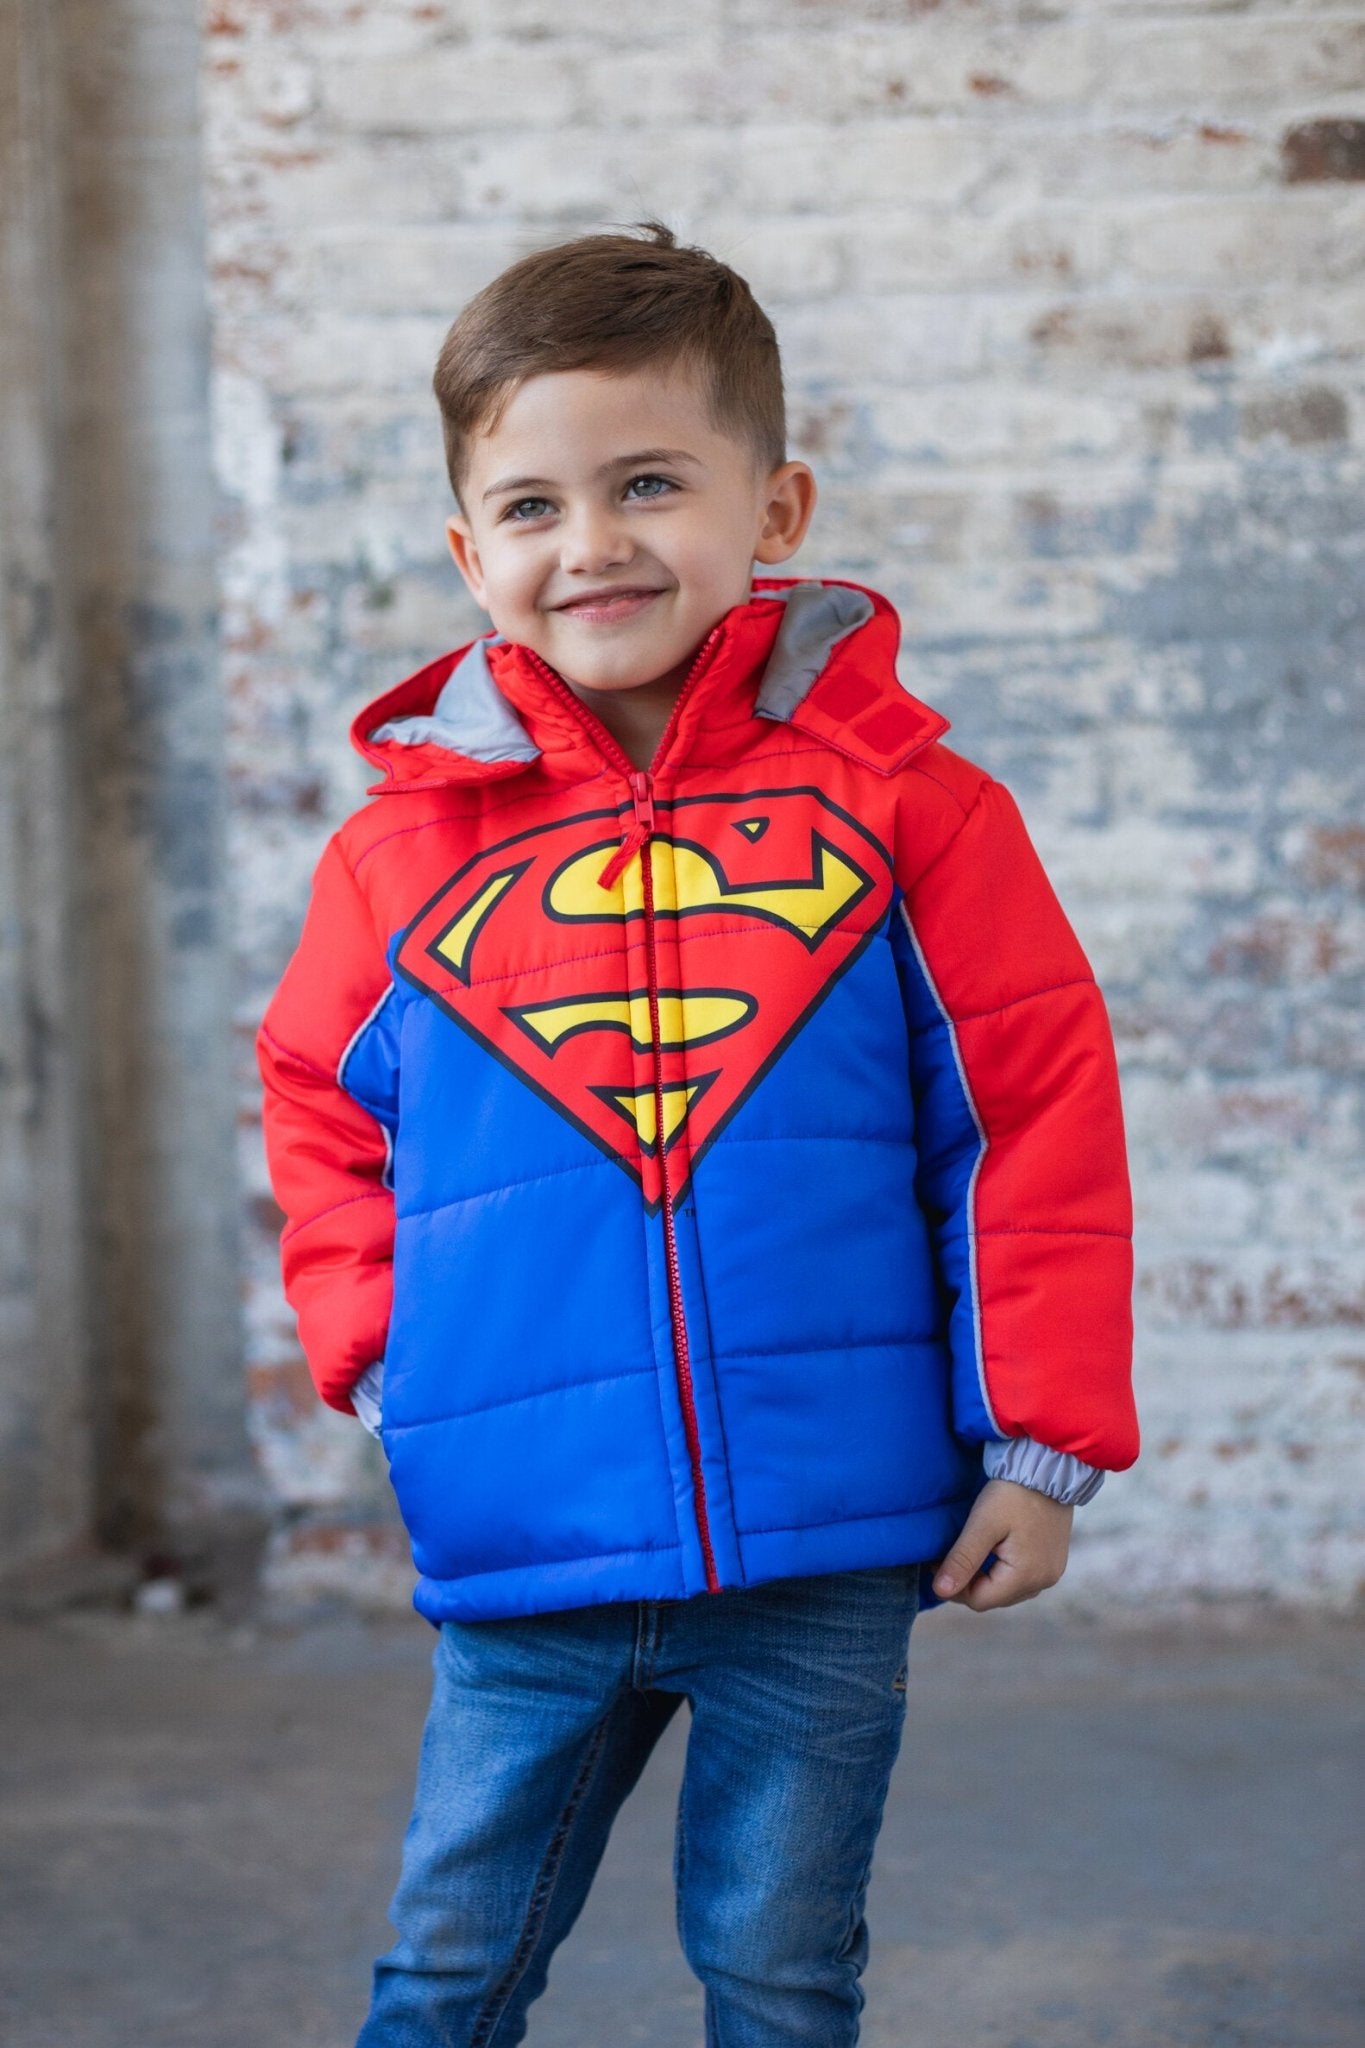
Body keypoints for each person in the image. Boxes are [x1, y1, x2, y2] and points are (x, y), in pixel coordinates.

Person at [256, 220, 1139, 2047]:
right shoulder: (397, 859)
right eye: (531, 505)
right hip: (526, 1531)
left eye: (648, 482)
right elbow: (320, 1112)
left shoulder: (912, 812)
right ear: (468, 553)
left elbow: (1029, 1122)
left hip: (826, 1542)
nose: (591, 543)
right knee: (447, 1968)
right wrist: (388, 1357)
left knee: (781, 1971)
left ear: (775, 506)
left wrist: (1040, 1445)